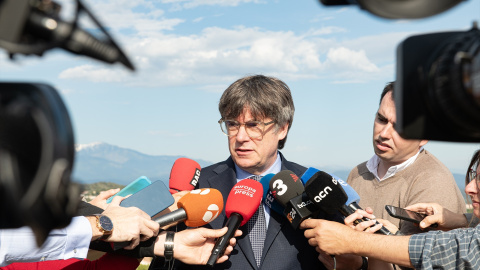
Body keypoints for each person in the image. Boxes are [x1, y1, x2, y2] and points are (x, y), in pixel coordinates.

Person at [149, 74, 327, 270]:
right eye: (232, 124)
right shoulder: (196, 187)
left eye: (253, 125)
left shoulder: (313, 186)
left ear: (282, 128)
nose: (240, 137)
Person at [300, 149, 480, 269]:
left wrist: (353, 242)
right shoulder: (358, 171)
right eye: (381, 119)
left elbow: (445, 250)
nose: (469, 188)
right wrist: (463, 219)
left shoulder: (433, 178)